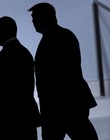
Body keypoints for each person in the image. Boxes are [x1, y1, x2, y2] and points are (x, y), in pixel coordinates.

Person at [28, 3, 98, 140]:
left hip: (60, 106)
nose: (33, 22)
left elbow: (60, 76)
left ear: (43, 18)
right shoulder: (64, 35)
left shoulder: (52, 39)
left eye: (34, 18)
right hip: (68, 104)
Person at [0, 16, 41, 140]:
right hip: (24, 117)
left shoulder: (7, 54)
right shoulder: (22, 52)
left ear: (5, 31)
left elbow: (5, 91)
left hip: (10, 119)